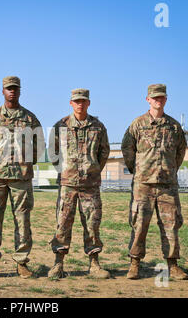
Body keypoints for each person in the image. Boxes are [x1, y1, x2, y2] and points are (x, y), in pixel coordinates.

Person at [121, 84, 188, 280]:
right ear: (148, 99)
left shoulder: (174, 126)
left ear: (166, 100)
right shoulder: (137, 124)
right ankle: (134, 263)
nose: (158, 100)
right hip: (143, 186)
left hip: (167, 186)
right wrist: (139, 171)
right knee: (139, 225)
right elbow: (128, 150)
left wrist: (169, 171)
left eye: (161, 97)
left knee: (171, 225)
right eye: (155, 98)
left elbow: (180, 152)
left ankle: (173, 265)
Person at [0, 76, 45, 279]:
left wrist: (25, 163)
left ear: (20, 91)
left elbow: (39, 146)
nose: (12, 92)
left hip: (21, 178)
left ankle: (21, 263)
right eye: (9, 88)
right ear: (3, 91)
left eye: (15, 88)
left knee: (23, 220)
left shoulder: (30, 119)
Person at [47, 88, 111, 279]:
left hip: (90, 185)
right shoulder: (61, 126)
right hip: (67, 184)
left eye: (83, 101)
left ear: (88, 103)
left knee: (92, 224)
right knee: (63, 223)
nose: (80, 104)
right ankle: (58, 264)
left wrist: (92, 170)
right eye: (76, 101)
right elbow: (53, 153)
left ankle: (94, 264)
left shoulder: (98, 126)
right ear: (71, 103)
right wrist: (66, 170)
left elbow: (104, 152)